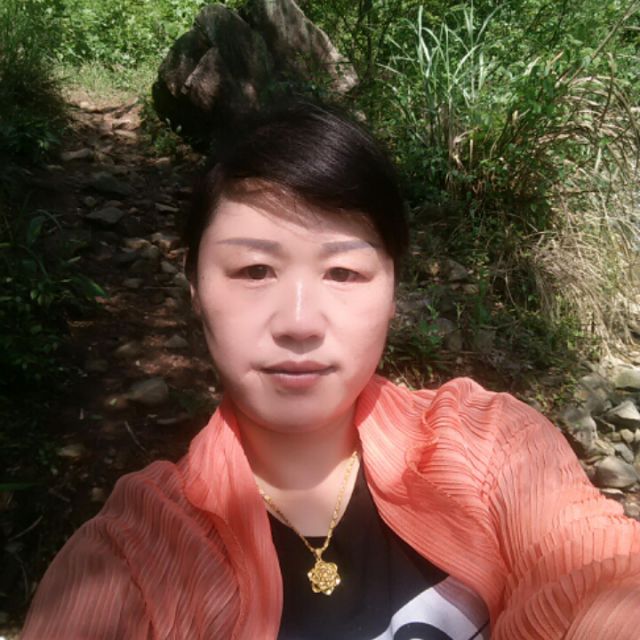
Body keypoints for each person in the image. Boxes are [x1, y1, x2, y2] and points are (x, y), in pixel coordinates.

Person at [22, 102, 640, 640]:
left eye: (343, 272)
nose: (299, 323)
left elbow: (601, 574)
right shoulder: (130, 561)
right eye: (254, 271)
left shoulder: (490, 447)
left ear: (393, 291)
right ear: (195, 288)